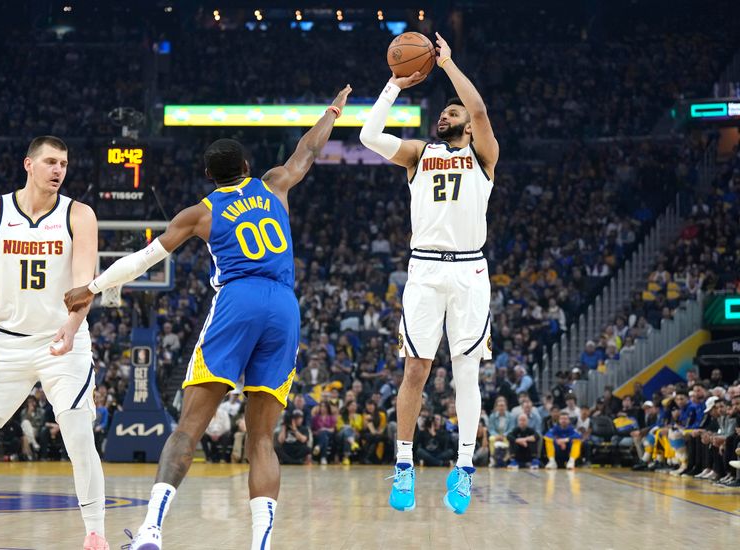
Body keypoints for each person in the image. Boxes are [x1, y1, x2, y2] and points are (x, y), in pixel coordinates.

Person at [64, 86, 352, 550]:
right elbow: (309, 149)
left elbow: (141, 261)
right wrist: (332, 111)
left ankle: (151, 532)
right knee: (261, 438)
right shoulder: (274, 184)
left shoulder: (201, 212)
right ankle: (261, 545)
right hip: (283, 306)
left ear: (208, 175)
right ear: (245, 169)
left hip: (237, 300)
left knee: (188, 428)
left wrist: (91, 288)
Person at [0, 136, 107, 550]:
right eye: (51, 162)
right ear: (28, 165)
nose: (58, 170)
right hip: (6, 343)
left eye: (64, 164)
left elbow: (84, 284)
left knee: (77, 430)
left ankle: (95, 535)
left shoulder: (79, 214)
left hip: (62, 340)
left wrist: (72, 327)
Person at [360, 32, 498, 515]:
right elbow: (368, 137)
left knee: (466, 374)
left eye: (452, 113)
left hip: (469, 271)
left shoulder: (482, 157)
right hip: (423, 269)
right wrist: (394, 86)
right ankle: (404, 463)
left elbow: (479, 113)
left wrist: (449, 66)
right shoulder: (420, 153)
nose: (446, 115)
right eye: (443, 112)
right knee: (415, 369)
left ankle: (463, 469)